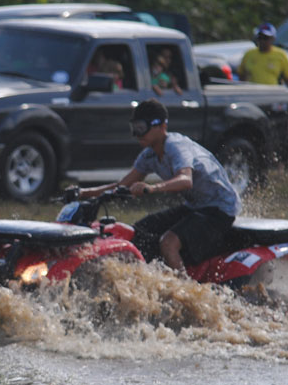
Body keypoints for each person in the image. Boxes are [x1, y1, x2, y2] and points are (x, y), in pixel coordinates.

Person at [78, 98, 241, 272]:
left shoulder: (176, 146)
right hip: (195, 206)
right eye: (134, 128)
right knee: (136, 231)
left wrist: (151, 188)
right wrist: (83, 193)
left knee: (168, 243)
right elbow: (122, 185)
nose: (137, 134)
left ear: (161, 126)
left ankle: (183, 292)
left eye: (141, 128)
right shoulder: (149, 155)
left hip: (220, 209)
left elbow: (186, 180)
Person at [238, 22, 288, 92]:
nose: (262, 41)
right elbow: (241, 74)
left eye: (266, 38)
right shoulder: (249, 54)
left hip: (271, 94)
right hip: (252, 93)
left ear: (273, 39)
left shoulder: (280, 55)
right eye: (260, 37)